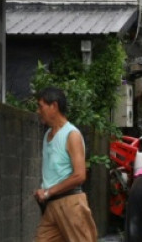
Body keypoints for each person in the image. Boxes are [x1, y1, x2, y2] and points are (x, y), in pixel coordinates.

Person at [33, 86, 98, 242]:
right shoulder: (47, 135)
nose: (38, 111)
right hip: (52, 207)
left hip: (71, 203)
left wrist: (48, 192)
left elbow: (80, 176)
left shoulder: (72, 135)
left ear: (54, 106)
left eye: (41, 106)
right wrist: (46, 192)